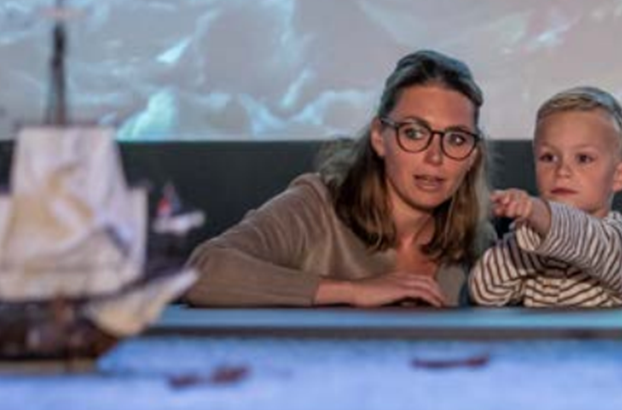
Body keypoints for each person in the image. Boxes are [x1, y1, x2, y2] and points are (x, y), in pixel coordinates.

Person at [185, 50, 493, 308]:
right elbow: (202, 272)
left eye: (455, 139)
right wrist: (351, 291)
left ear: (472, 155)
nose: (435, 156)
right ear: (378, 137)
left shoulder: (478, 242)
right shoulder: (318, 207)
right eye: (414, 133)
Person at [469, 86, 622, 307]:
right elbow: (484, 292)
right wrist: (526, 237)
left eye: (583, 158)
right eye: (548, 157)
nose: (562, 171)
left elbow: (585, 240)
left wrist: (537, 211)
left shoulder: (615, 238)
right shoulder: (529, 234)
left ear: (617, 176)